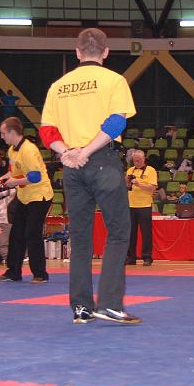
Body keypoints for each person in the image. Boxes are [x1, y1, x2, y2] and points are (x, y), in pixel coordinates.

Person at [39, 27, 141, 324]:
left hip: (71, 167)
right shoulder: (114, 80)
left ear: (77, 52)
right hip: (102, 161)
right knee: (118, 232)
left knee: (80, 237)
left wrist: (68, 153)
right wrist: (86, 151)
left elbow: (47, 131)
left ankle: (81, 308)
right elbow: (116, 123)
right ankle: (109, 304)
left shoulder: (58, 86)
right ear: (106, 52)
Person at [0, 117, 53, 284]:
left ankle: (40, 274)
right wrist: (3, 179)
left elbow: (35, 177)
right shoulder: (12, 150)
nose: (2, 137)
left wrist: (14, 182)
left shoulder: (29, 150)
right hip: (25, 196)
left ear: (12, 132)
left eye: (3, 133)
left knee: (32, 233)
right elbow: (14, 172)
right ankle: (13, 272)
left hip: (40, 196)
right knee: (16, 234)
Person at [125, 149, 157, 266]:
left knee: (146, 233)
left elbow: (152, 188)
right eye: (134, 161)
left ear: (144, 159)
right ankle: (131, 257)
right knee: (130, 233)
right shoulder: (130, 170)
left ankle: (147, 257)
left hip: (144, 205)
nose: (136, 163)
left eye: (138, 160)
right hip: (131, 205)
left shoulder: (151, 170)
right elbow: (126, 186)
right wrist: (128, 182)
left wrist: (138, 184)